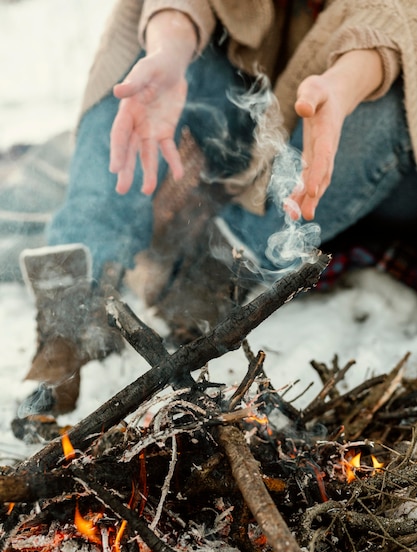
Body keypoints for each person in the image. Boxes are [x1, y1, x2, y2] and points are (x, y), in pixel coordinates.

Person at [14, 0, 417, 434]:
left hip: (369, 156)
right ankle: (72, 313)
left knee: (379, 106)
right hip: (259, 127)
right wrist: (168, 53)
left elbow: (393, 18)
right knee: (145, 68)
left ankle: (220, 271)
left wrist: (341, 88)